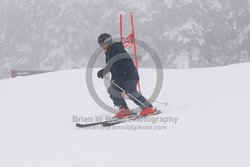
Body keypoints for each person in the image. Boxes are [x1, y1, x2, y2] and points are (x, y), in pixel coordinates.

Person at [97, 33, 156, 118]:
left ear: (108, 42)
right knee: (112, 90)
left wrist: (104, 70)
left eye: (103, 44)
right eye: (101, 45)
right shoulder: (108, 54)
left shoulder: (116, 48)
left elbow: (115, 61)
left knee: (130, 91)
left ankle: (147, 107)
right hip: (119, 78)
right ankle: (124, 109)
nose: (102, 46)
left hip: (129, 75)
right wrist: (104, 71)